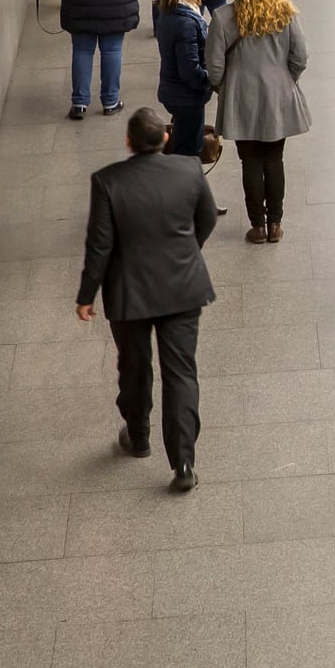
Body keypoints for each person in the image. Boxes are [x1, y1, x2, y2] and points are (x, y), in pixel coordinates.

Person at [75, 106, 216, 494]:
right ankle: (184, 463)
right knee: (181, 373)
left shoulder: (107, 181)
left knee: (134, 367)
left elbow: (99, 245)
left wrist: (87, 295)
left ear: (128, 142)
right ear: (165, 139)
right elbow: (207, 219)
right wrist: (190, 252)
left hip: (129, 293)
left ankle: (138, 436)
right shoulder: (189, 169)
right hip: (182, 288)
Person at [206, 0, 312, 244]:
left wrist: (224, 88)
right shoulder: (285, 13)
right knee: (274, 159)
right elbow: (300, 57)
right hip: (277, 96)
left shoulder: (222, 17)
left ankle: (258, 226)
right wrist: (285, 79)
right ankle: (276, 223)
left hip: (241, 98)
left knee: (250, 162)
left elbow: (214, 67)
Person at [155, 0, 212, 158]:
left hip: (175, 92)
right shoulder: (186, 23)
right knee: (189, 151)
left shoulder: (175, 13)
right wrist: (211, 80)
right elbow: (190, 69)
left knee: (183, 142)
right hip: (187, 96)